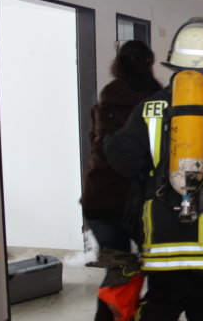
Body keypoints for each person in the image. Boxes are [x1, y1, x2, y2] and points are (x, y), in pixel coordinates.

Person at [104, 18, 203, 321]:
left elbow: (121, 163)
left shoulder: (148, 109)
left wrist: (111, 140)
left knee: (159, 310)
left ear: (174, 66)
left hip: (163, 246)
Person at [79, 40, 162, 321]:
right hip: (138, 200)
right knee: (159, 268)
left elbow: (96, 143)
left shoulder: (106, 96)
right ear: (149, 63)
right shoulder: (157, 99)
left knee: (118, 270)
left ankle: (110, 316)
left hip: (99, 197)